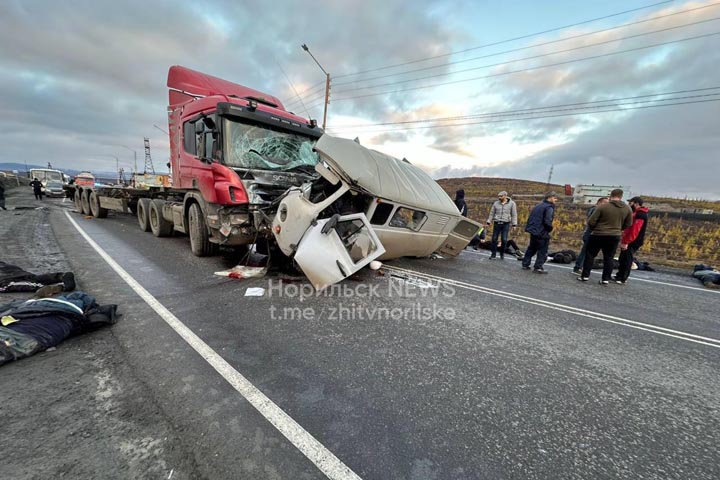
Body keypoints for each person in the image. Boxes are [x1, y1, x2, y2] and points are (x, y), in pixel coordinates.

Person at [578, 189, 633, 285]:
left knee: (590, 255)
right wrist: (619, 228)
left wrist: (595, 228)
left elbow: (591, 221)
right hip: (614, 236)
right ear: (621, 196)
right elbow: (629, 223)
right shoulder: (627, 208)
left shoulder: (603, 207)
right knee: (609, 257)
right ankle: (605, 279)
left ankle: (585, 276)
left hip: (598, 234)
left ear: (611, 195)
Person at [614, 196, 649, 284]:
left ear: (636, 204)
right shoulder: (636, 213)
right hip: (629, 240)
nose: (629, 204)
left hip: (633, 241)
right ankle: (619, 275)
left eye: (631, 203)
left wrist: (627, 242)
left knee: (627, 259)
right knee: (622, 258)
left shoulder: (640, 214)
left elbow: (635, 230)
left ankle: (623, 278)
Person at [521, 191, 558, 274]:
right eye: (555, 198)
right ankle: (538, 267)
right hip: (541, 231)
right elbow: (547, 221)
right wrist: (549, 229)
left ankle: (525, 264)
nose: (556, 199)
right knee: (542, 250)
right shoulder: (549, 207)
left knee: (532, 248)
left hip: (533, 230)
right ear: (550, 197)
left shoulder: (538, 205)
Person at [573, 197, 609, 274]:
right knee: (585, 251)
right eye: (605, 202)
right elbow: (592, 222)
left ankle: (580, 267)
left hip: (592, 233)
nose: (606, 204)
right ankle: (578, 267)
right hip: (590, 233)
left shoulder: (596, 210)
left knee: (588, 252)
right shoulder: (595, 210)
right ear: (599, 202)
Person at [486, 191, 518, 260]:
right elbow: (492, 213)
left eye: (501, 196)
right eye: (498, 196)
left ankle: (502, 253)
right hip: (497, 223)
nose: (499, 198)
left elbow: (514, 214)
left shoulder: (512, 204)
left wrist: (514, 224)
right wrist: (488, 222)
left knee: (504, 239)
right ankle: (493, 254)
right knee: (494, 239)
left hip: (506, 223)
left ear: (505, 196)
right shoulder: (496, 203)